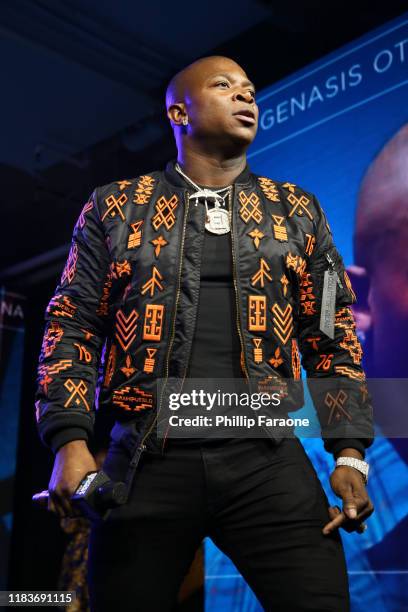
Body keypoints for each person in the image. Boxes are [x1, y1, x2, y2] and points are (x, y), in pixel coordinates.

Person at [35, 55, 374, 611]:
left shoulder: (299, 211)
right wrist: (69, 441)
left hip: (266, 459)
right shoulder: (113, 207)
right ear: (178, 111)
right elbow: (70, 323)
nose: (246, 97)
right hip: (146, 459)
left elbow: (331, 332)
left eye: (250, 89)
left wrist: (350, 453)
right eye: (225, 86)